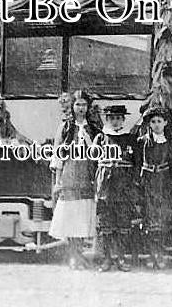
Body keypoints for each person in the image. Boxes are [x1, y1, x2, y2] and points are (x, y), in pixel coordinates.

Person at [49, 90, 102, 269]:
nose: (81, 108)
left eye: (84, 105)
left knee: (83, 215)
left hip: (87, 175)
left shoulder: (93, 128)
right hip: (70, 175)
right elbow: (57, 156)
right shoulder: (65, 127)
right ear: (72, 106)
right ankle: (73, 255)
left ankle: (80, 253)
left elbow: (98, 154)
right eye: (78, 104)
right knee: (71, 216)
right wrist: (57, 181)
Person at [92, 104, 139, 272]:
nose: (115, 121)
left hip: (123, 187)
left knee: (123, 224)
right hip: (105, 187)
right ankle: (106, 259)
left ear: (123, 120)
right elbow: (93, 164)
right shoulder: (101, 138)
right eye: (112, 118)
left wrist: (133, 186)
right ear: (107, 120)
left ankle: (120, 258)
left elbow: (136, 164)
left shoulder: (130, 138)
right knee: (106, 223)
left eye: (118, 118)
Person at [138, 105, 172, 269]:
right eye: (153, 122)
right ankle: (151, 254)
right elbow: (137, 163)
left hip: (164, 182)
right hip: (148, 181)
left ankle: (161, 253)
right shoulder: (142, 142)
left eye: (159, 121)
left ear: (166, 123)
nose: (156, 125)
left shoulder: (170, 143)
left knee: (162, 217)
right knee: (149, 218)